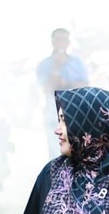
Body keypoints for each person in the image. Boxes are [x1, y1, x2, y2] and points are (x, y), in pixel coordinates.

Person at [35, 28, 90, 158]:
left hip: (75, 106)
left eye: (64, 40)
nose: (61, 43)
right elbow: (48, 88)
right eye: (58, 40)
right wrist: (56, 67)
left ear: (68, 42)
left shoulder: (77, 63)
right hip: (54, 107)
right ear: (52, 42)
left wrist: (65, 84)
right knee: (56, 147)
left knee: (78, 145)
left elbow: (84, 85)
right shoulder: (44, 65)